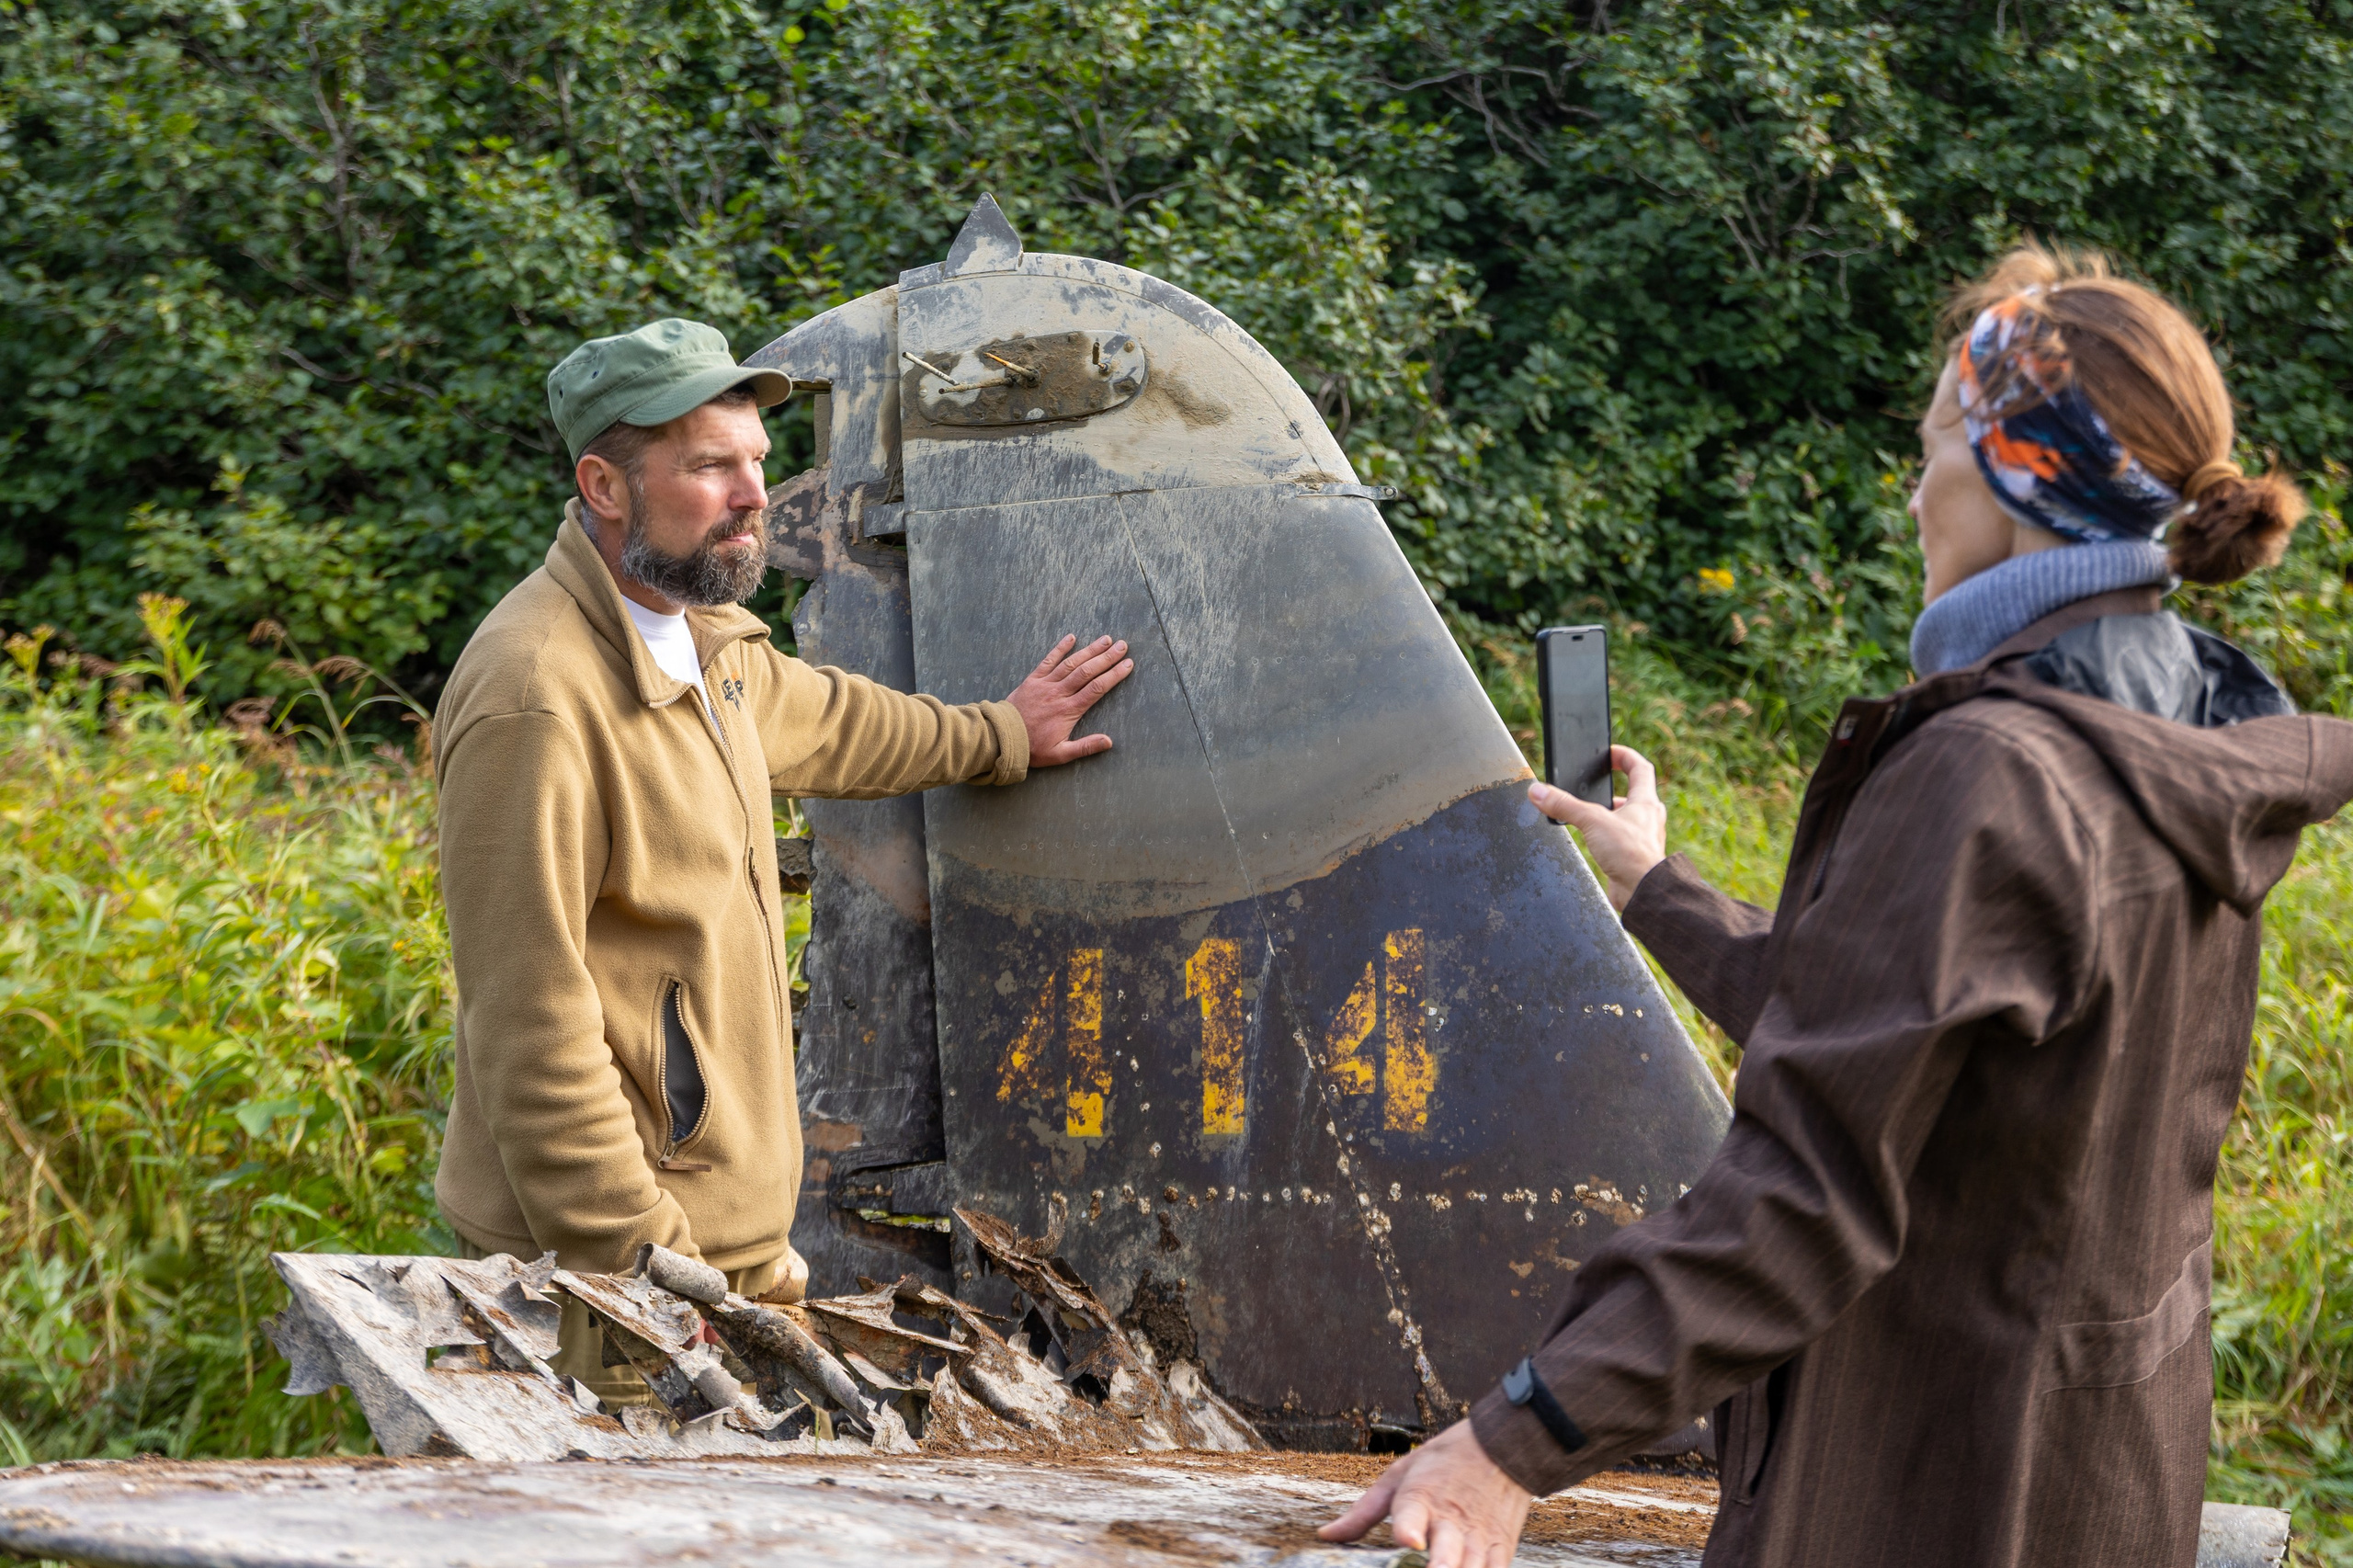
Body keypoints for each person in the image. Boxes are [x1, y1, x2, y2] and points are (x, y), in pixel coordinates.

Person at [1324, 244, 2353, 1567]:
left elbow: (1807, 1191)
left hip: (1931, 1479)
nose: (1917, 487)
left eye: (1935, 443)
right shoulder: (2183, 729)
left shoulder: (1992, 769)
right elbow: (1924, 1034)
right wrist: (1660, 884)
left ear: (2017, 474)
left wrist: (1510, 1439)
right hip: (2097, 1476)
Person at [431, 318, 1132, 1402]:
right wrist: (649, 1277)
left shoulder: (701, 642)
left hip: (731, 1263)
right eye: (712, 465)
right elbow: (529, 1021)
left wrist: (1004, 731)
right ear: (604, 485)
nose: (755, 493)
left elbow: (843, 723)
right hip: (606, 1287)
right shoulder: (538, 695)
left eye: (758, 460)